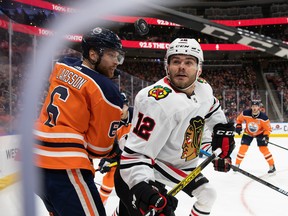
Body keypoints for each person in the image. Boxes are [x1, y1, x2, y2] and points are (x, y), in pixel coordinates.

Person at [114, 38, 235, 216]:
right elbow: (135, 155)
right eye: (176, 61)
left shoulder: (203, 88)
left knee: (208, 195)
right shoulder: (155, 101)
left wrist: (221, 134)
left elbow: (212, 109)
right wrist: (143, 189)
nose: (182, 67)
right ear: (167, 67)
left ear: (199, 68)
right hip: (146, 169)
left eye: (189, 62)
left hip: (178, 167)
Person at [34, 27, 125, 216]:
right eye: (111, 55)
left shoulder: (62, 66)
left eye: (118, 56)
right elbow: (98, 148)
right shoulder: (107, 89)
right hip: (63, 163)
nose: (116, 62)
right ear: (93, 54)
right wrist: (113, 151)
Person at [98, 92, 134, 205]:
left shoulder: (139, 115)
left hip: (143, 155)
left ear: (127, 105)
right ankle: (98, 206)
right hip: (123, 155)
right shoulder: (112, 122)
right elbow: (109, 147)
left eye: (121, 106)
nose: (119, 110)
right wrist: (106, 160)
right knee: (109, 178)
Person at [234, 100, 276, 173]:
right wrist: (238, 126)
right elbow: (239, 119)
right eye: (253, 106)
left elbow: (268, 129)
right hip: (248, 133)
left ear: (259, 107)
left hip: (260, 134)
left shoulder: (264, 117)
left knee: (263, 149)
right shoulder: (245, 113)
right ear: (251, 107)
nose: (254, 108)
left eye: (256, 106)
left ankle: (272, 166)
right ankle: (237, 165)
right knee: (243, 148)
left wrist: (266, 136)